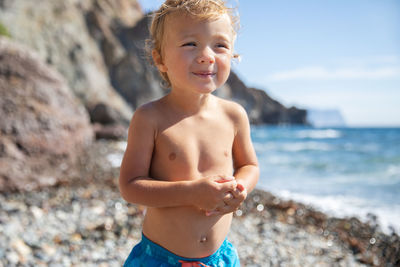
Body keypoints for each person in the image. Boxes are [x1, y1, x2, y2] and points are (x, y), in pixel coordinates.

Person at [119, 0, 259, 266]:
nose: (207, 55)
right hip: (160, 259)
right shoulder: (150, 118)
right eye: (190, 44)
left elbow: (249, 165)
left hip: (219, 258)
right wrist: (190, 193)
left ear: (233, 55)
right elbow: (130, 186)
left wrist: (240, 188)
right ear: (160, 58)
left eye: (220, 45)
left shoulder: (234, 116)